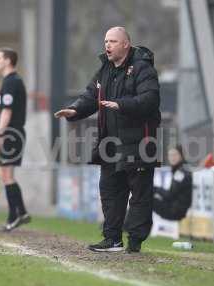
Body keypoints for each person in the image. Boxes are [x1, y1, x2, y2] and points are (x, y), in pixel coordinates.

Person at [54, 27, 161, 253]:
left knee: (140, 195)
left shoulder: (143, 69)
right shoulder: (104, 70)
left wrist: (122, 105)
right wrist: (75, 110)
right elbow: (90, 96)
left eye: (112, 41)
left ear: (125, 44)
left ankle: (134, 242)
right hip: (110, 144)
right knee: (110, 191)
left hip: (139, 143)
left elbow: (150, 100)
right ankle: (112, 239)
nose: (107, 46)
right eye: (105, 41)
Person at [0, 47, 31, 232]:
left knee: (7, 176)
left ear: (8, 61)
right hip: (14, 132)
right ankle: (20, 212)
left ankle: (14, 215)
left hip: (11, 133)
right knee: (7, 175)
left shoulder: (10, 82)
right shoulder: (13, 81)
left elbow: (7, 111)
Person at [153, 145, 192, 220]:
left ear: (181, 156)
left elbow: (169, 195)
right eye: (170, 155)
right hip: (175, 207)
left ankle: (136, 225)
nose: (172, 158)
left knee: (147, 199)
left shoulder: (181, 172)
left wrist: (155, 189)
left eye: (175, 155)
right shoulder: (180, 169)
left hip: (176, 211)